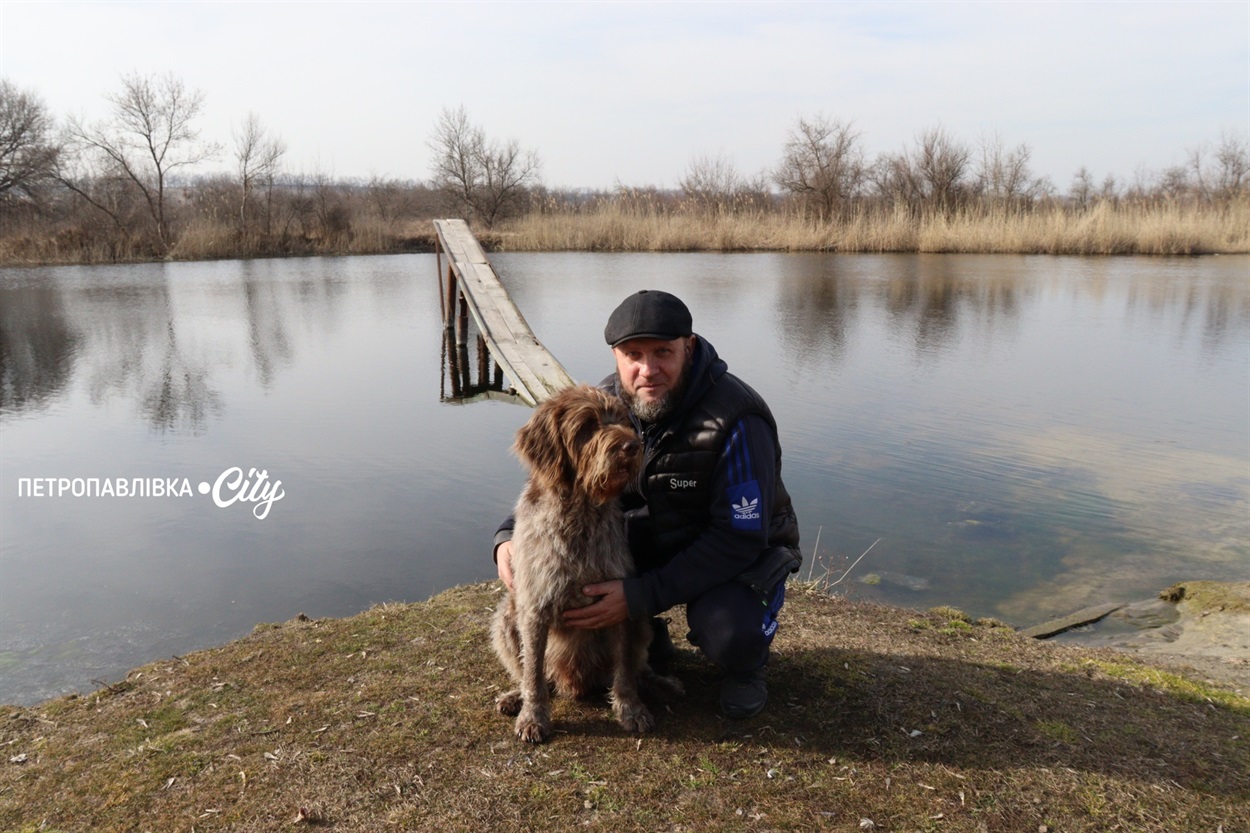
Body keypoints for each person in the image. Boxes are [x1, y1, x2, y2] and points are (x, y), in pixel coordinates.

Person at [493, 289, 801, 719]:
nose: (647, 369)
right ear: (617, 356)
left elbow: (740, 538)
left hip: (734, 552)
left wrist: (639, 595)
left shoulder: (737, 420)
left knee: (731, 629)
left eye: (662, 352)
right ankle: (646, 640)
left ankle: (745, 667)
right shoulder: (609, 403)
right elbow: (552, 479)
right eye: (633, 354)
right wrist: (508, 537)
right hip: (658, 539)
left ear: (688, 348)